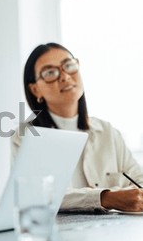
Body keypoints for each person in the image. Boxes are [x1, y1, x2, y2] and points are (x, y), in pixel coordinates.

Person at [12, 42, 143, 213]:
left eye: (68, 65)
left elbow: (138, 182)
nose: (65, 76)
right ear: (35, 89)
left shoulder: (108, 132)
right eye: (50, 72)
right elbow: (35, 195)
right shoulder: (25, 136)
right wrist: (105, 198)